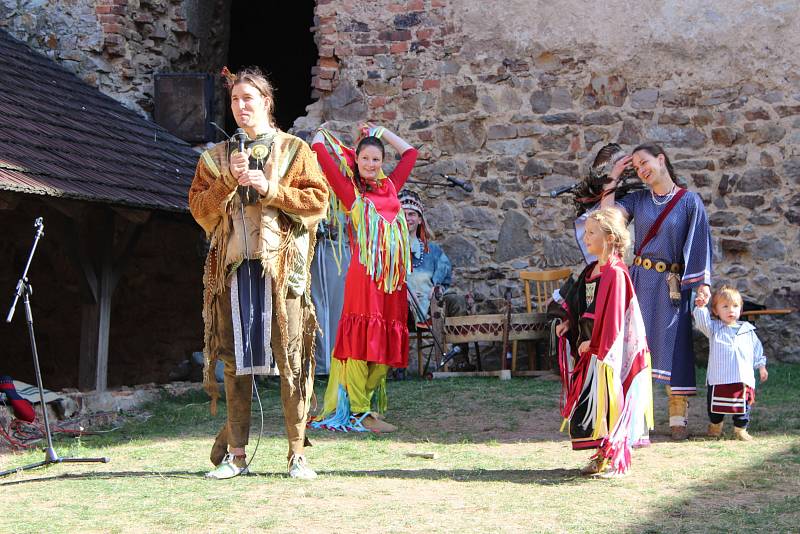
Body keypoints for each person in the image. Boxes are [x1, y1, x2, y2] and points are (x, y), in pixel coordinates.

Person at [188, 67, 328, 479]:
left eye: (249, 98)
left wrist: (271, 190)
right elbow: (199, 210)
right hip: (233, 271)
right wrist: (228, 181)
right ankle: (236, 456)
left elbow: (318, 201)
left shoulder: (295, 151)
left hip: (282, 269)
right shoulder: (216, 157)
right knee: (233, 362)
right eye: (234, 100)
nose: (240, 106)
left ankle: (297, 453)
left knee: (291, 358)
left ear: (267, 102)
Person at [309, 124, 418, 433]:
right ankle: (357, 410)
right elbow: (319, 148)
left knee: (384, 342)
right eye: (365, 159)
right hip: (365, 276)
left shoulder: (392, 186)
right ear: (356, 159)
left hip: (392, 280)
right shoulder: (349, 191)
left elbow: (410, 153)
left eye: (376, 159)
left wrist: (381, 131)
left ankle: (365, 404)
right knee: (360, 341)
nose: (371, 165)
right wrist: (321, 135)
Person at [601, 143, 712, 440]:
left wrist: (702, 285)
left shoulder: (689, 202)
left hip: (672, 285)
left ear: (661, 159)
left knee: (673, 346)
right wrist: (614, 176)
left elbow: (700, 243)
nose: (641, 169)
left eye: (644, 162)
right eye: (636, 167)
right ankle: (636, 419)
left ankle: (678, 414)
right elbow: (608, 216)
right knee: (636, 345)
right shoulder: (638, 200)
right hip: (639, 280)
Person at [554, 207, 653, 477]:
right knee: (594, 405)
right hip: (593, 349)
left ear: (609, 237)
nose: (586, 238)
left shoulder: (615, 273)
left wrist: (596, 346)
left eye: (591, 233)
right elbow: (581, 304)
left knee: (611, 402)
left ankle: (616, 456)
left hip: (610, 353)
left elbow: (613, 320)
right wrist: (570, 324)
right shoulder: (592, 271)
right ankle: (602, 455)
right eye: (585, 233)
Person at [399, 189, 471, 370]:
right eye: (403, 214)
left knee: (456, 300)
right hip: (402, 309)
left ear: (420, 219)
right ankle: (395, 366)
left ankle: (460, 359)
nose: (408, 218)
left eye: (412, 214)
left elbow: (444, 274)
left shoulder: (433, 250)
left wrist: (437, 287)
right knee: (393, 303)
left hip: (431, 306)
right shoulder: (389, 249)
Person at [693, 285, 767, 441]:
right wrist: (701, 308)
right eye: (725, 306)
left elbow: (757, 350)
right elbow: (702, 323)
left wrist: (761, 367)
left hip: (742, 377)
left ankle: (740, 429)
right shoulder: (714, 328)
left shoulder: (748, 329)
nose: (730, 310)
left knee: (743, 406)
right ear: (716, 311)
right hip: (719, 376)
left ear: (740, 309)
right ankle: (715, 426)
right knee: (715, 407)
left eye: (735, 306)